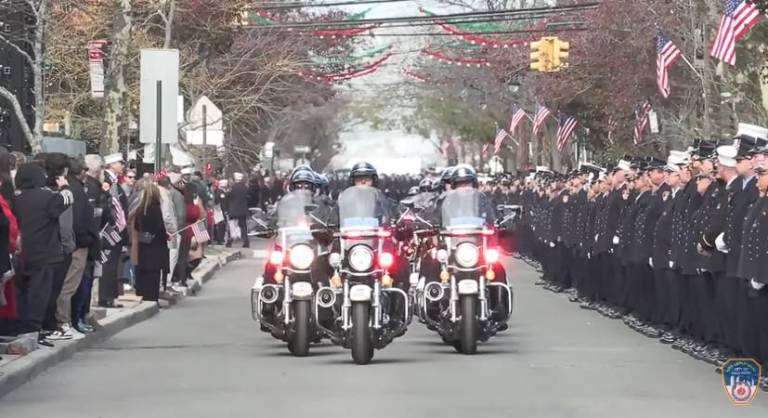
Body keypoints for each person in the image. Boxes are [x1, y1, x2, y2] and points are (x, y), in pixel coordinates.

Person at [14, 163, 73, 346]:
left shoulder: (16, 199)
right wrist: (64, 185)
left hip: (21, 253)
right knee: (40, 293)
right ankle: (34, 328)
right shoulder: (47, 197)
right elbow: (67, 199)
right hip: (45, 253)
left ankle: (23, 326)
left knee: (22, 292)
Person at [99, 153, 128, 308]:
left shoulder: (115, 181)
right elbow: (110, 205)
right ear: (111, 165)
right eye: (119, 163)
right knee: (109, 264)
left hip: (118, 229)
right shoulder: (107, 181)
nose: (122, 166)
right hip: (111, 228)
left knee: (113, 264)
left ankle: (111, 295)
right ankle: (106, 296)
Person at [131, 182, 169, 302]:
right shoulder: (156, 209)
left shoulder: (140, 209)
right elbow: (159, 228)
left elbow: (136, 227)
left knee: (143, 274)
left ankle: (142, 295)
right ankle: (153, 298)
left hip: (143, 245)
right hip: (156, 247)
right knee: (154, 275)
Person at [227, 172, 250, 248]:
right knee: (243, 226)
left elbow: (228, 196)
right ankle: (246, 241)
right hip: (243, 210)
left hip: (234, 210)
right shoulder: (245, 187)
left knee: (232, 226)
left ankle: (230, 241)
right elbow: (249, 196)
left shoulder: (233, 188)